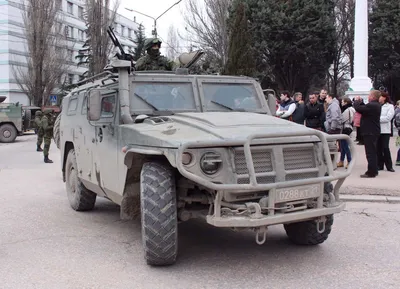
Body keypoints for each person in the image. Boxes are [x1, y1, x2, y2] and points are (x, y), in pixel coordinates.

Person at [353, 90, 382, 178]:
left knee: (370, 153)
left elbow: (358, 109)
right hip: (373, 131)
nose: (368, 97)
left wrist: (356, 101)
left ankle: (371, 172)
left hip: (370, 131)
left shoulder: (372, 105)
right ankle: (374, 170)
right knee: (373, 151)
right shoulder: (375, 105)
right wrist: (361, 102)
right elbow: (364, 108)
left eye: (369, 95)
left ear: (373, 97)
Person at [377, 93, 395, 172]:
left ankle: (389, 166)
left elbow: (388, 118)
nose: (379, 98)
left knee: (385, 148)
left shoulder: (390, 106)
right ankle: (379, 165)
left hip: (385, 130)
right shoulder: (377, 105)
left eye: (380, 96)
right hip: (377, 130)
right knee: (378, 149)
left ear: (384, 98)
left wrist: (377, 119)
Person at [337, 98, 355, 169]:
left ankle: (349, 160)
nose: (341, 103)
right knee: (343, 145)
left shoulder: (347, 110)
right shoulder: (352, 109)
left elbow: (342, 119)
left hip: (345, 128)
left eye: (342, 102)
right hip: (349, 127)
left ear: (346, 102)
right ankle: (341, 160)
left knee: (344, 145)